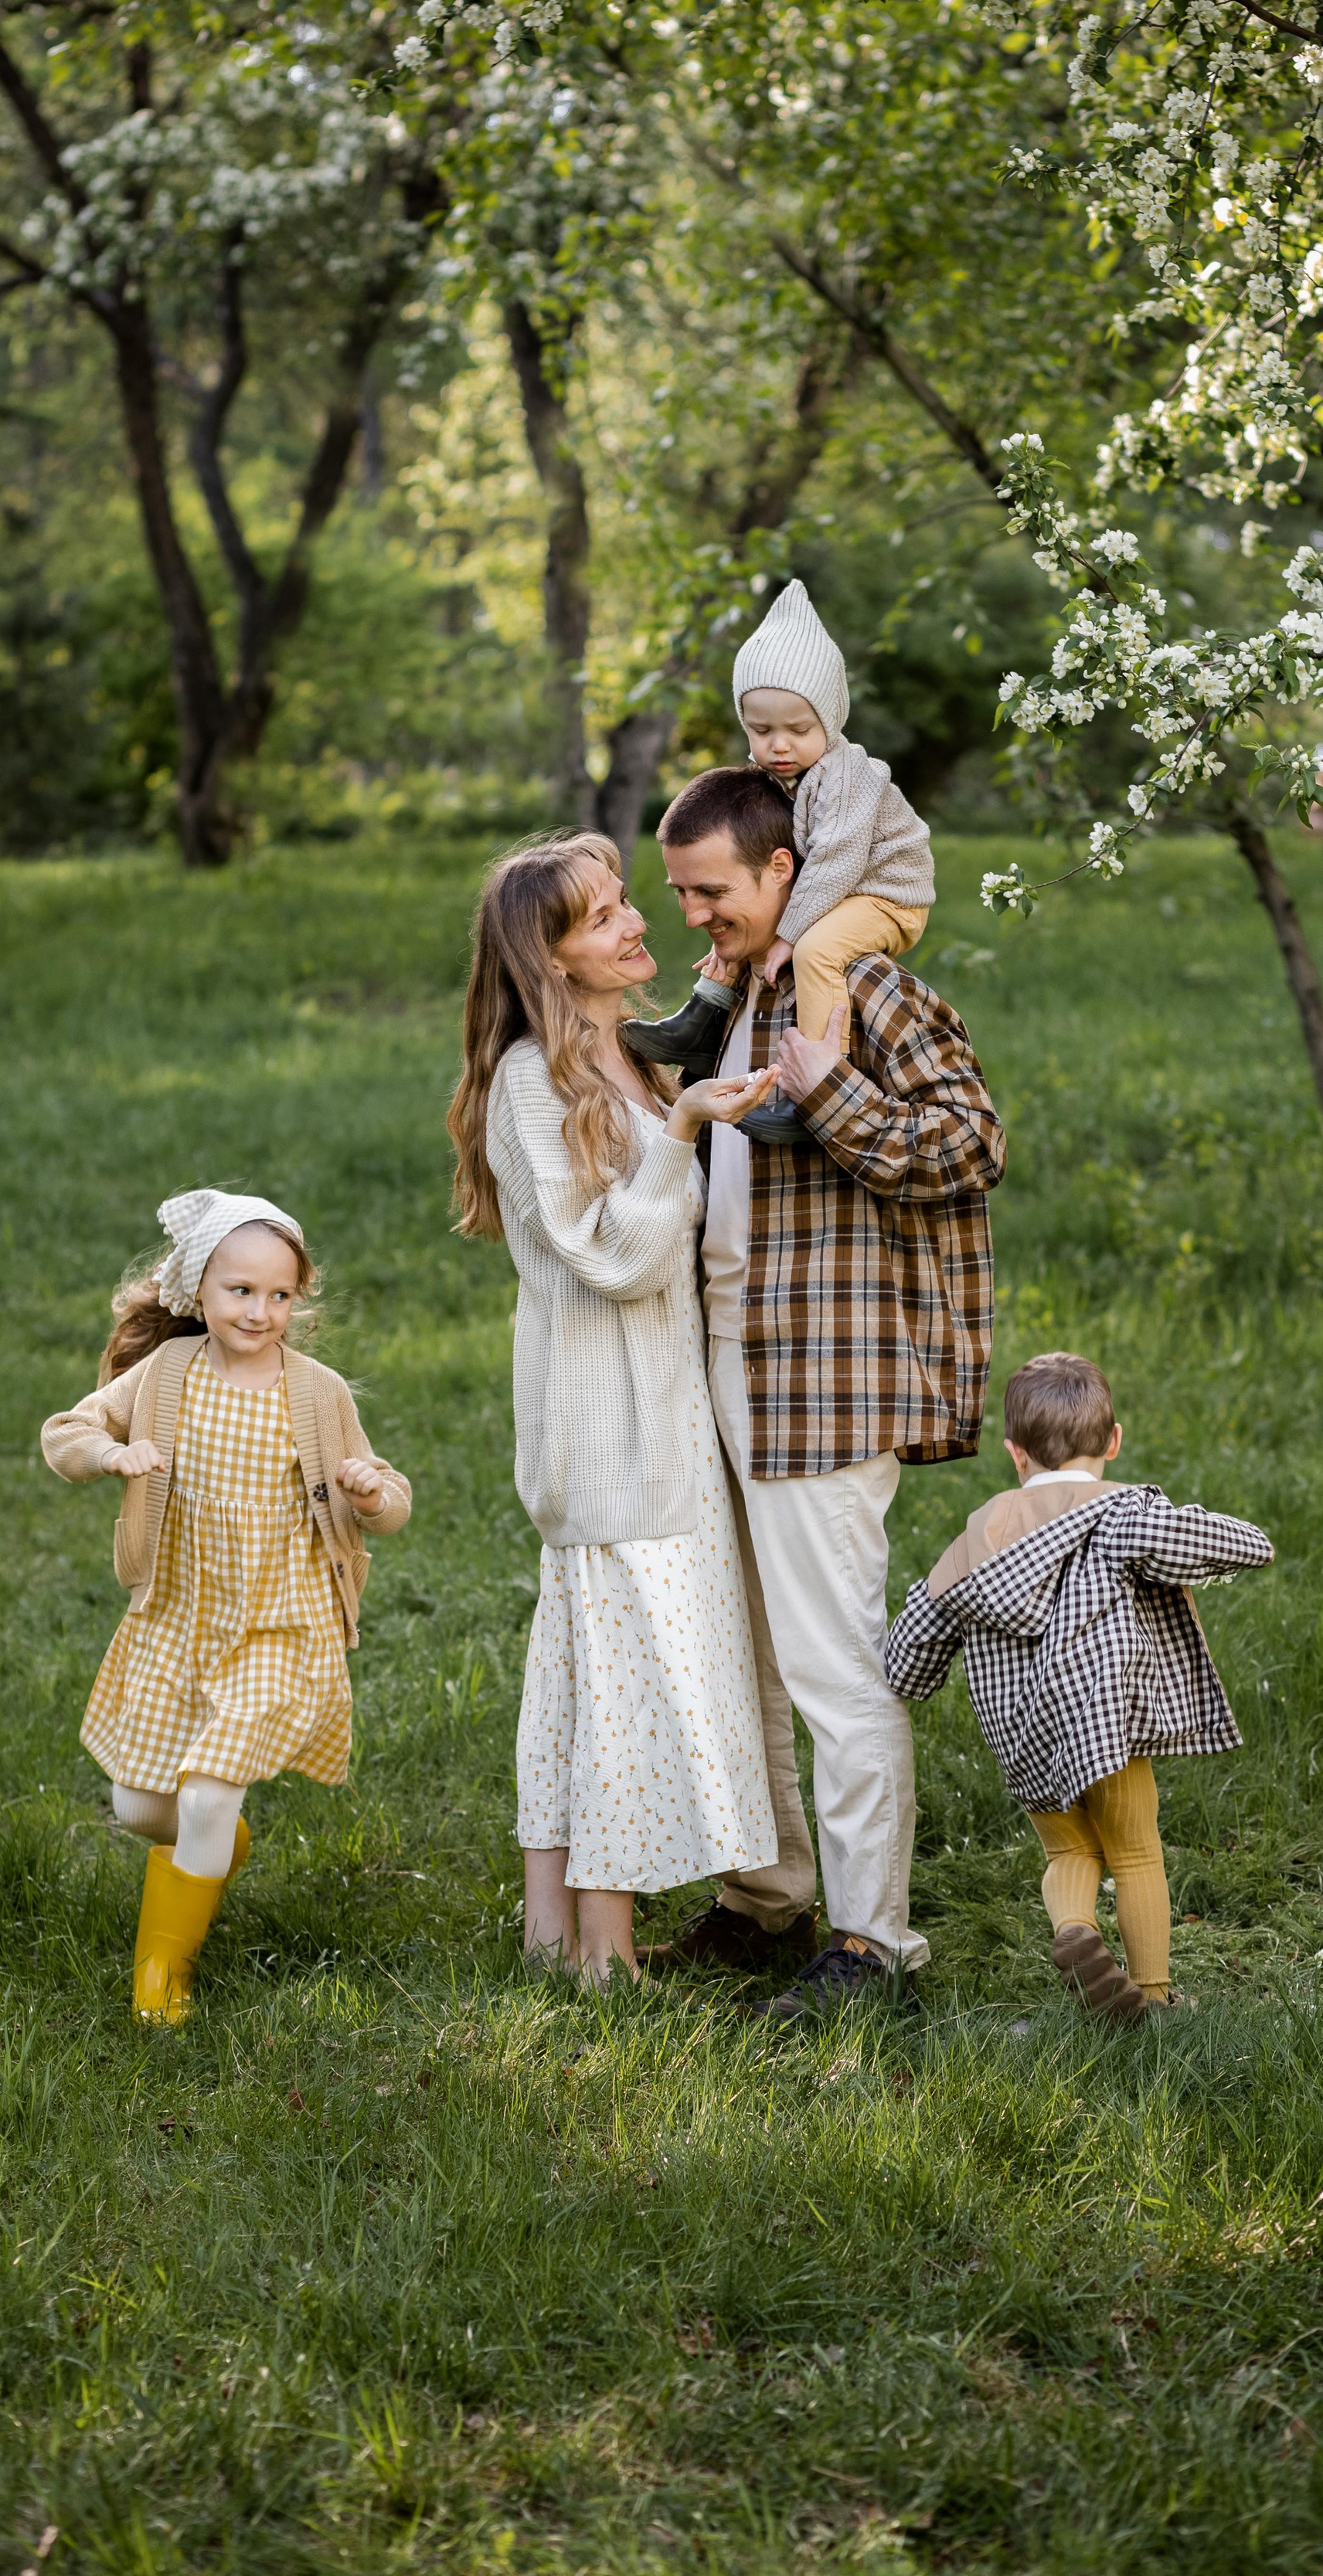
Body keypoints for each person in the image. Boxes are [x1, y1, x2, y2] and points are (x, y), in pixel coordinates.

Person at [648, 764, 1006, 2020]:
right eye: (679, 892)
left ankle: (873, 1951)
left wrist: (828, 1089)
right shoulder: (728, 1005)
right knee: (734, 1658)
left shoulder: (863, 990)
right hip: (717, 1374)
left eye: (711, 891)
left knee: (831, 1665)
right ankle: (766, 1899)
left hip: (825, 1378)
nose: (693, 912)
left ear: (782, 870)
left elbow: (972, 1143)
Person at [446, 832, 787, 1985]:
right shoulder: (533, 1083)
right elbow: (616, 1261)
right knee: (632, 1682)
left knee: (584, 1676)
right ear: (549, 960)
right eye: (602, 919)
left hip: (651, 1421)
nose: (637, 924)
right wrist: (686, 1134)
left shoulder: (621, 1061)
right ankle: (605, 1949)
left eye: (627, 903)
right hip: (609, 1434)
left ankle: (557, 1934)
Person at [41, 1189, 410, 2024]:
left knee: (206, 1795)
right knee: (143, 1808)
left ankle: (160, 1980)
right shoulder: (166, 1375)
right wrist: (111, 1452)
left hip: (282, 1624)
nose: (260, 1310)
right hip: (180, 1615)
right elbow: (64, 1433)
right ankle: (219, 1847)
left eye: (279, 1295)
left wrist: (369, 1491)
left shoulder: (316, 1394)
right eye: (241, 1291)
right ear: (198, 1290)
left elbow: (388, 1502)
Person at [883, 1351, 1274, 2022]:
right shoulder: (1121, 1515)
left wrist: (910, 1681)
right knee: (1135, 1851)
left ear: (1015, 1454)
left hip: (1024, 1734)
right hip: (1105, 1723)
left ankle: (1076, 1932)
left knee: (1069, 1848)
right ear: (1114, 1442)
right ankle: (1151, 1998)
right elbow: (1235, 1543)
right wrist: (1245, 1540)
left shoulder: (979, 1539)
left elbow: (914, 1636)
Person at [624, 579, 935, 1144]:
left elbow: (837, 862)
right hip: (837, 887)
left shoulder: (845, 777)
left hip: (887, 894)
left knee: (815, 949)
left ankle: (811, 1094)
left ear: (831, 722)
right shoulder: (782, 778)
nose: (780, 745)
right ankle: (702, 1021)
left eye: (799, 729)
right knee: (738, 922)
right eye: (762, 730)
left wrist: (790, 934)